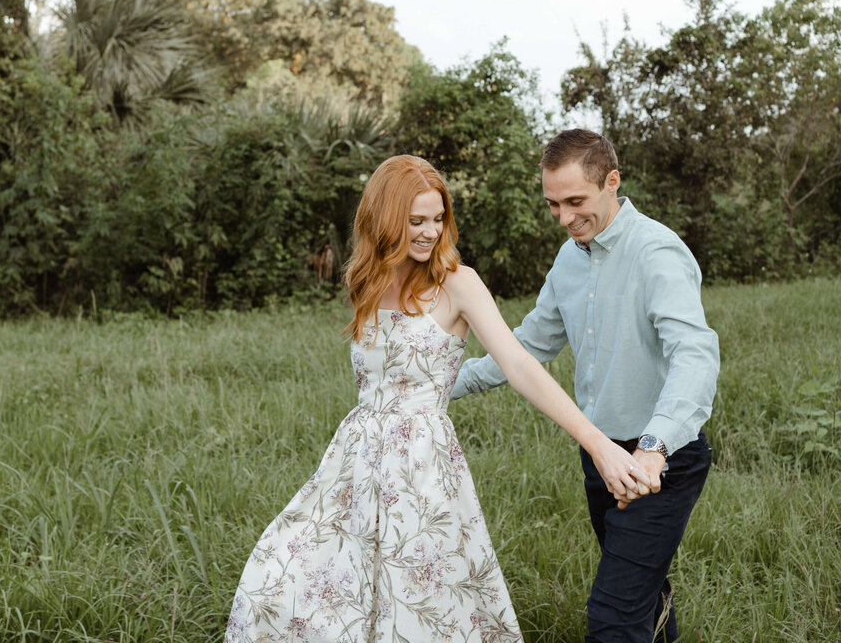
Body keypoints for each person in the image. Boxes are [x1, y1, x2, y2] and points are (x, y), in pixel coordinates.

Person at [225, 154, 654, 643]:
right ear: (385, 221)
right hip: (354, 462)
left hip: (421, 467)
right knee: (282, 580)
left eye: (437, 219)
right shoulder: (366, 280)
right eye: (415, 222)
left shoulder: (456, 283)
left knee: (419, 602)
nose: (430, 232)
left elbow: (518, 365)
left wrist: (596, 442)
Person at [451, 129, 720, 643]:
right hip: (599, 455)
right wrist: (437, 385)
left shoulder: (657, 251)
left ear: (611, 182)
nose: (564, 217)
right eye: (553, 204)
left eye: (575, 201)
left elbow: (695, 355)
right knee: (642, 591)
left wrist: (654, 449)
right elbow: (527, 347)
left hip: (662, 460)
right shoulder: (569, 259)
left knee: (613, 616)